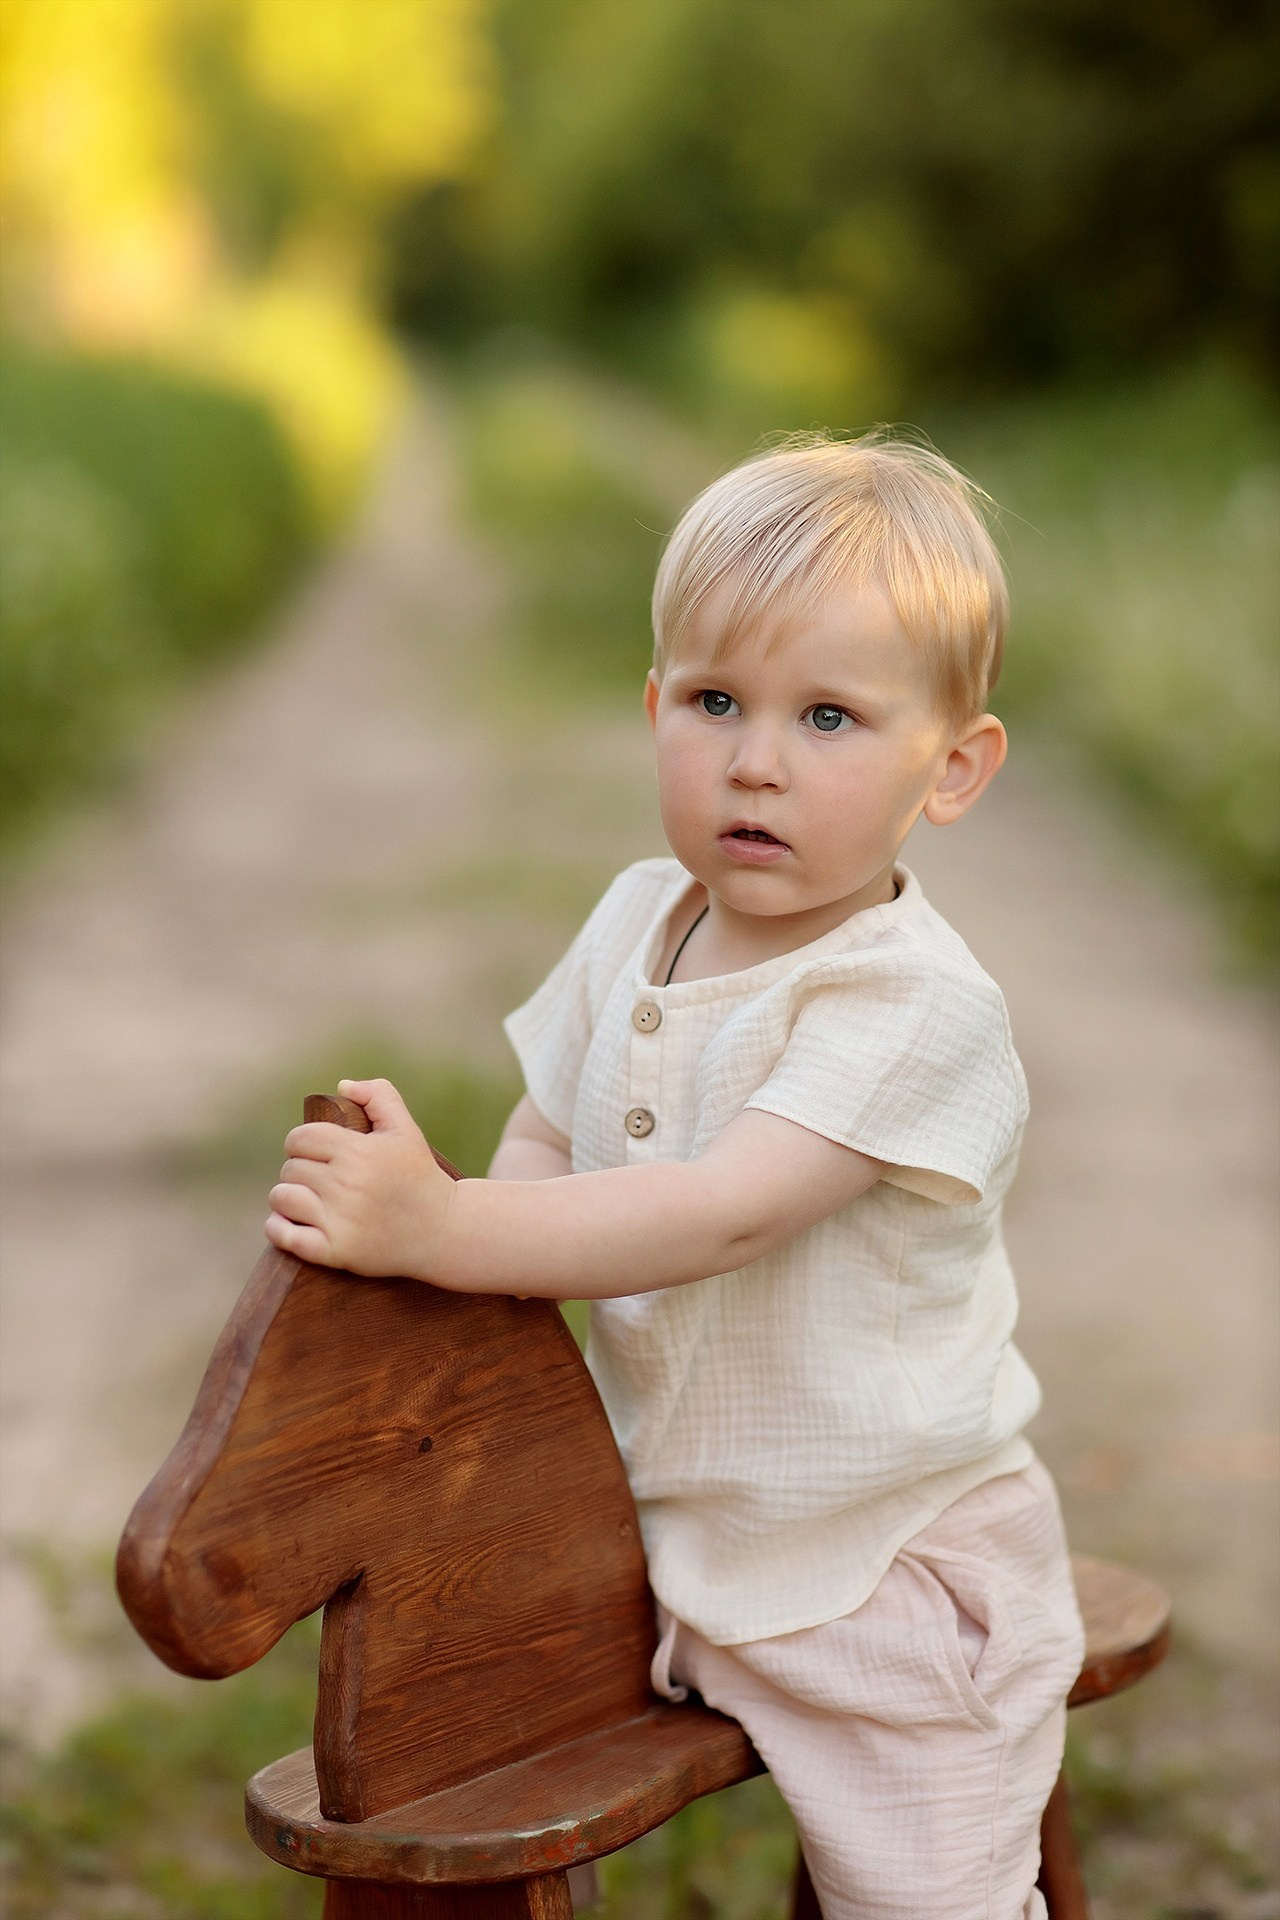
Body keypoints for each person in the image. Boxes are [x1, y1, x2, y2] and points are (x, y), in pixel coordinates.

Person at [266, 432, 1085, 1919]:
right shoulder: (641, 918)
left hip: (876, 1557)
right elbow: (549, 1137)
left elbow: (726, 1214)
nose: (756, 759)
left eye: (830, 716)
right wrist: (469, 1254)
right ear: (654, 710)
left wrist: (444, 1225)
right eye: (716, 702)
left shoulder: (908, 1006)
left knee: (928, 1898)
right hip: (664, 1526)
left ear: (951, 768)